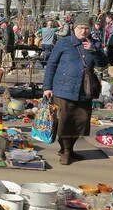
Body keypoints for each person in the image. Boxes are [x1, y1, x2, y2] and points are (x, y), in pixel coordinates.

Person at [43, 14, 106, 165]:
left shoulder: (95, 44)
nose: (83, 31)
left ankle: (70, 150)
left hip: (85, 90)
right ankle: (65, 151)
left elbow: (103, 64)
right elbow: (51, 64)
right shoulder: (64, 43)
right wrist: (47, 87)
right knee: (64, 122)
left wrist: (93, 51)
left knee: (80, 122)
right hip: (63, 89)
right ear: (74, 28)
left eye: (86, 28)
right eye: (80, 28)